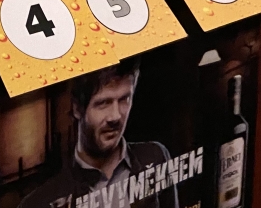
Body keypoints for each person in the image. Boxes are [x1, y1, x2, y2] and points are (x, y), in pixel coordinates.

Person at [19, 58, 179, 208]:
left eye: (124, 99)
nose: (115, 116)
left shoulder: (155, 156)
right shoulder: (39, 202)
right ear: (77, 109)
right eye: (103, 103)